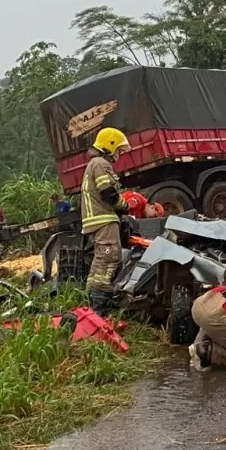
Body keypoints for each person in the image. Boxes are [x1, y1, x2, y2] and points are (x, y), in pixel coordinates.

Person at [80, 127, 131, 314]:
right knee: (109, 259)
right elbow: (108, 193)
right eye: (118, 149)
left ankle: (92, 306)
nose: (119, 154)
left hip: (95, 221)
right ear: (109, 147)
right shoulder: (101, 164)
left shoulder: (94, 164)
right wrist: (125, 205)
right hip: (103, 220)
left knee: (99, 263)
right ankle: (100, 309)